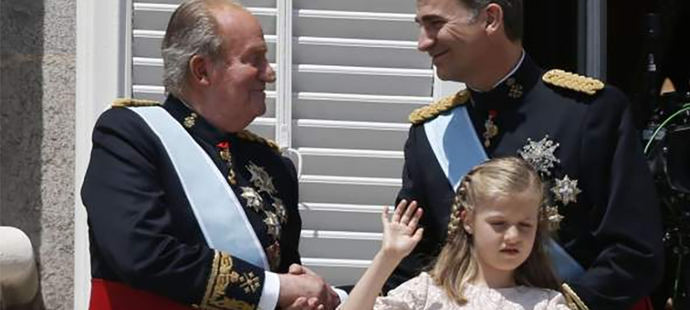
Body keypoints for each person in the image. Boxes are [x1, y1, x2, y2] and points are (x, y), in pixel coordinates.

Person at [386, 0, 665, 309]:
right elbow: (409, 266)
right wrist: (338, 297)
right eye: (421, 27)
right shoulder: (431, 134)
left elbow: (635, 253)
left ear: (491, 19)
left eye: (435, 24)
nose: (422, 43)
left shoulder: (589, 114)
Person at [81, 0, 342, 309]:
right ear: (202, 70)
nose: (269, 73)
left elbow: (284, 278)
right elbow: (140, 254)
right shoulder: (131, 135)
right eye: (254, 59)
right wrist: (277, 289)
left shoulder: (272, 165)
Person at [342, 157, 571, 309]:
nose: (512, 236)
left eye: (525, 225)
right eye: (498, 223)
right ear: (468, 221)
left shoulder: (546, 304)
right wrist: (388, 257)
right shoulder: (425, 294)